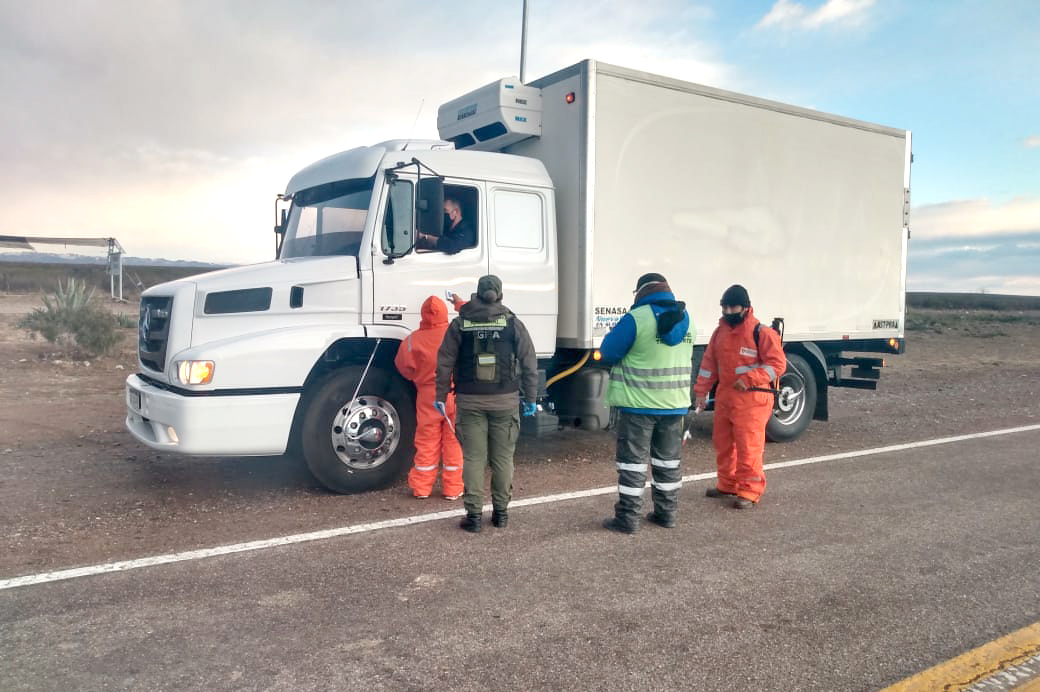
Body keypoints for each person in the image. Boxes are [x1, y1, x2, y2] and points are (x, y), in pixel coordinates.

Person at [435, 274, 539, 533]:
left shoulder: (460, 323)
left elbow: (444, 362)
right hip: (505, 400)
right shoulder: (512, 323)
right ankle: (501, 514)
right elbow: (528, 362)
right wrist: (531, 397)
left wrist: (439, 396)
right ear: (500, 295)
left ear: (477, 295)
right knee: (503, 458)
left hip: (470, 400)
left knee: (473, 458)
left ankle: (473, 516)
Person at [599, 272, 694, 533]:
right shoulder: (688, 320)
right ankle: (667, 514)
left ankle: (628, 518)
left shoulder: (636, 319)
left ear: (641, 292)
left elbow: (608, 351)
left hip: (638, 405)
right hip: (674, 406)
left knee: (633, 463)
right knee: (668, 462)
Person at [694, 284, 786, 509]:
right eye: (724, 307)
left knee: (748, 446)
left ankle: (750, 490)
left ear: (745, 307)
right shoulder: (720, 333)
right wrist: (701, 392)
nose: (727, 311)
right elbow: (709, 365)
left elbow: (777, 364)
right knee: (723, 443)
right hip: (727, 395)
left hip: (752, 398)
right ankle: (727, 483)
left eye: (732, 307)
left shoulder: (762, 332)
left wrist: (749, 379)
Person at [394, 295, 464, 500]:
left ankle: (422, 488)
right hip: (454, 394)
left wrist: (418, 378)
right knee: (455, 442)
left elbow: (403, 366)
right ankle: (453, 488)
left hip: (428, 396)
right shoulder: (456, 334)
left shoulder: (412, 340)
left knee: (426, 441)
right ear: (444, 313)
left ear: (423, 315)